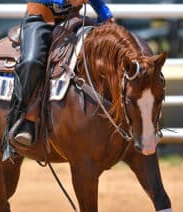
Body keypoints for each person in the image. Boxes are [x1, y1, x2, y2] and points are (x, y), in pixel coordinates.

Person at [10, 0, 114, 146]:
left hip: (73, 18)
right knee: (31, 62)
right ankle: (24, 118)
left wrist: (104, 14)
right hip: (41, 17)